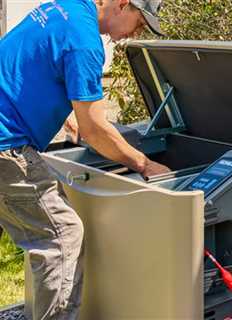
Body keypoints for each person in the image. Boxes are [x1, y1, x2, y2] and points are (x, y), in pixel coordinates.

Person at [0, 0, 169, 319]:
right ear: (123, 5)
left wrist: (70, 119)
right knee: (62, 236)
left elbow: (29, 64)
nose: (134, 33)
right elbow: (95, 132)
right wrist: (145, 165)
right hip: (6, 145)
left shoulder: (64, 7)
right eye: (140, 22)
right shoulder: (86, 43)